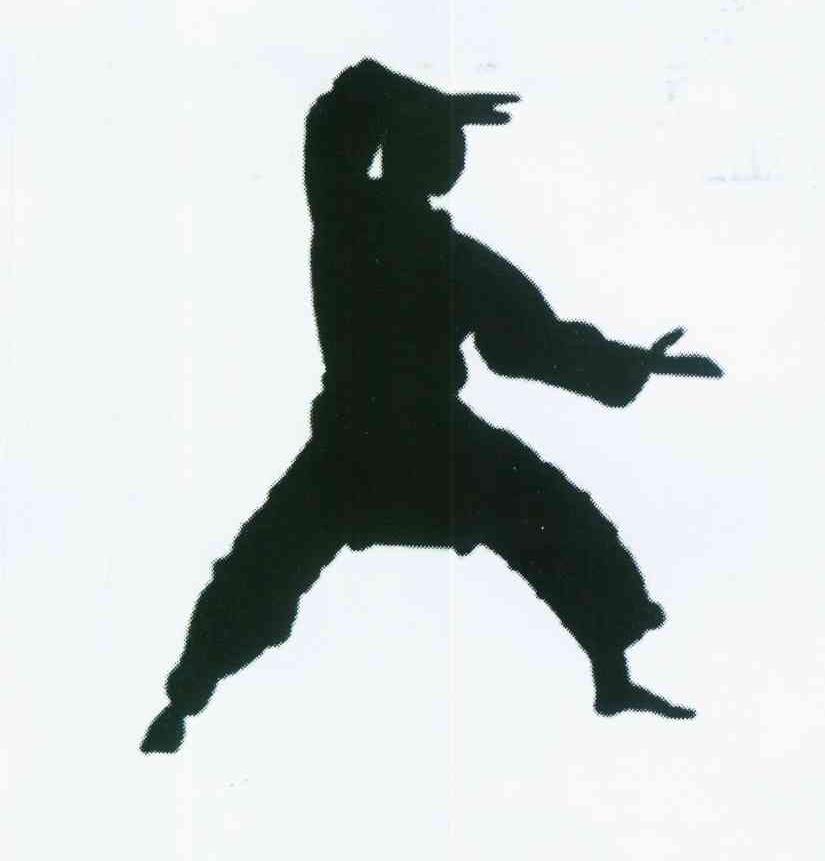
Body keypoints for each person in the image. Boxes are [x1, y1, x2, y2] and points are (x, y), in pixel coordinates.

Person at [141, 59, 722, 753]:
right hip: (391, 438)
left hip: (379, 440)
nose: (446, 160)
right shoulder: (360, 220)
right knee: (275, 563)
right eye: (439, 147)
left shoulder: (370, 224)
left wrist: (635, 363)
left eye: (447, 149)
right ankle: (186, 694)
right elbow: (529, 347)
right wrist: (429, 100)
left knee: (277, 560)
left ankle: (611, 672)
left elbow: (528, 345)